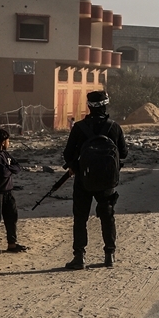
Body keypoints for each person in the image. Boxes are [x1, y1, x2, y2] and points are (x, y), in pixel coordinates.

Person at [62, 91, 128, 270]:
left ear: (89, 106)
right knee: (107, 217)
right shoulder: (114, 127)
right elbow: (123, 153)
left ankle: (79, 257)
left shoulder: (79, 127)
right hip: (107, 182)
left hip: (83, 179)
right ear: (106, 105)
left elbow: (67, 153)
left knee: (80, 218)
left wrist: (74, 165)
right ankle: (109, 255)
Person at [0, 128, 27, 253]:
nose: (9, 143)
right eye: (8, 140)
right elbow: (2, 172)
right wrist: (8, 169)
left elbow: (17, 167)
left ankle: (12, 244)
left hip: (8, 190)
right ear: (3, 141)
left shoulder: (6, 154)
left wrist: (8, 168)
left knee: (12, 216)